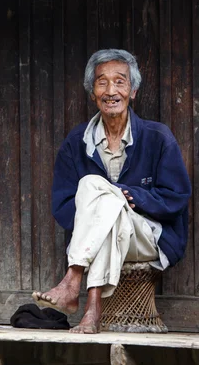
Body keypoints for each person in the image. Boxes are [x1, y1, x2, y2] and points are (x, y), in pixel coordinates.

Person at [33, 49, 191, 333]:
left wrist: (130, 197)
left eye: (120, 81)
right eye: (101, 82)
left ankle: (73, 279)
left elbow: (176, 197)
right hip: (108, 236)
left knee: (93, 186)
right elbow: (63, 204)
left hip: (149, 235)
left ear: (133, 91)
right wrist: (107, 209)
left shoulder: (158, 137)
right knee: (99, 199)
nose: (110, 90)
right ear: (92, 92)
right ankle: (92, 310)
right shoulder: (76, 142)